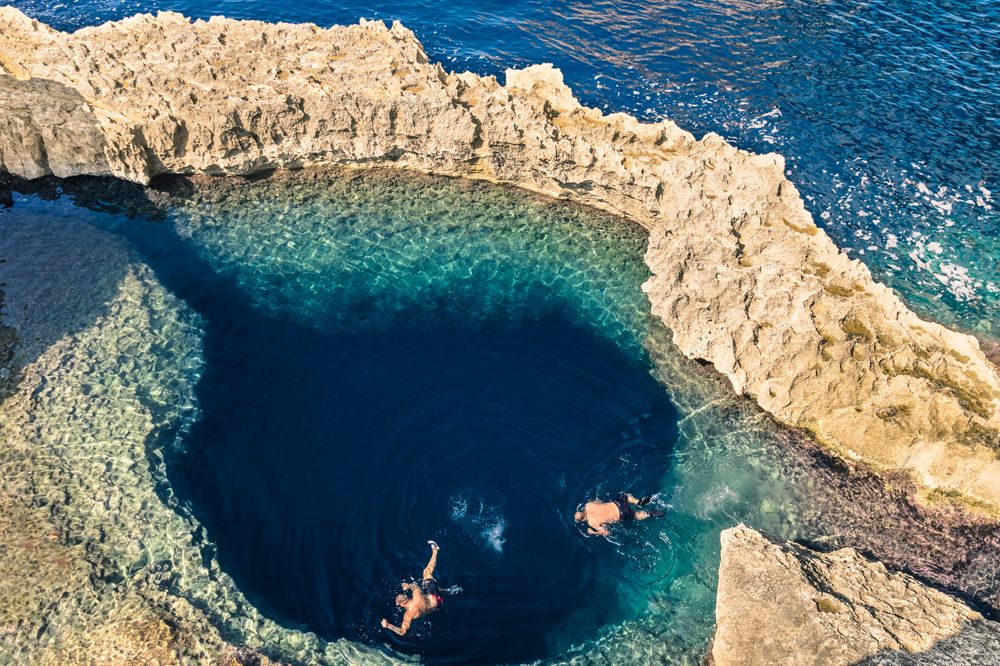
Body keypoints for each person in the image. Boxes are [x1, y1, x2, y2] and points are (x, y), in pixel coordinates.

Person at [381, 540, 454, 636]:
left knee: (428, 586)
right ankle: (435, 551)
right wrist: (408, 585)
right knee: (426, 573)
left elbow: (402, 632)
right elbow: (415, 586)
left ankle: (446, 590)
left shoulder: (408, 615)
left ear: (402, 604)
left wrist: (388, 625)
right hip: (434, 597)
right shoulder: (416, 596)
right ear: (406, 598)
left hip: (435, 607)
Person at [574, 493, 663, 537]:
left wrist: (593, 532)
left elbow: (606, 532)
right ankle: (638, 502)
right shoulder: (588, 505)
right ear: (581, 510)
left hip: (620, 514)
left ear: (582, 520)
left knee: (635, 515)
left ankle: (648, 514)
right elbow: (600, 502)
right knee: (623, 495)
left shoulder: (592, 523)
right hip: (617, 504)